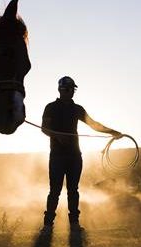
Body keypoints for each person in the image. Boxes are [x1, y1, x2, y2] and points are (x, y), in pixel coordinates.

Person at [41, 76, 122, 233]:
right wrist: (57, 136)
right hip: (57, 155)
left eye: (73, 89)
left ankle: (74, 224)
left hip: (74, 156)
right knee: (55, 190)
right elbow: (44, 128)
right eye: (69, 89)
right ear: (61, 90)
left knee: (73, 190)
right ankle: (47, 225)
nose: (72, 92)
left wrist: (112, 132)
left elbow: (93, 124)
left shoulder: (77, 109)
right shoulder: (50, 107)